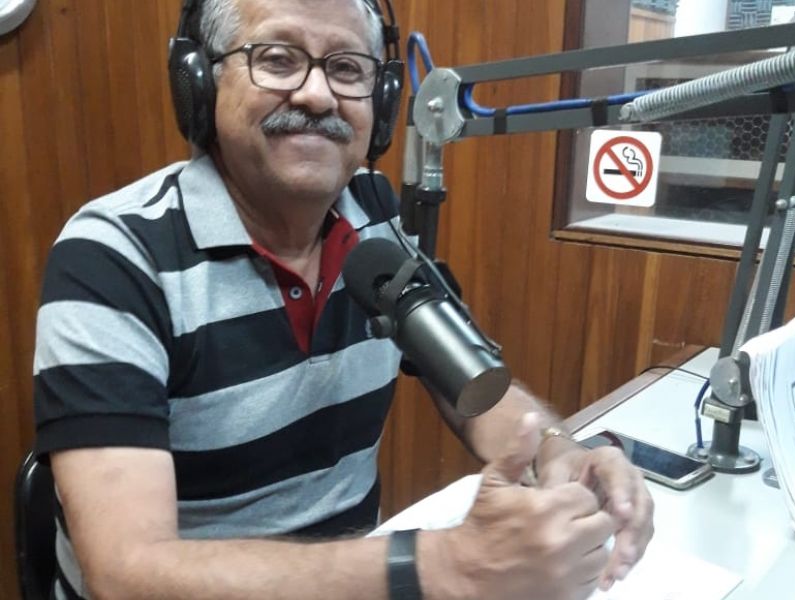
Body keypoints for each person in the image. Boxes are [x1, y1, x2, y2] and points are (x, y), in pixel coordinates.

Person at [32, 0, 654, 599]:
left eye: (347, 68)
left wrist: (557, 449)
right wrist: (444, 567)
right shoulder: (113, 257)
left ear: (380, 103)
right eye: (278, 59)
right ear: (200, 81)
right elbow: (127, 574)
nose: (316, 94)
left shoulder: (374, 214)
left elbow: (468, 386)